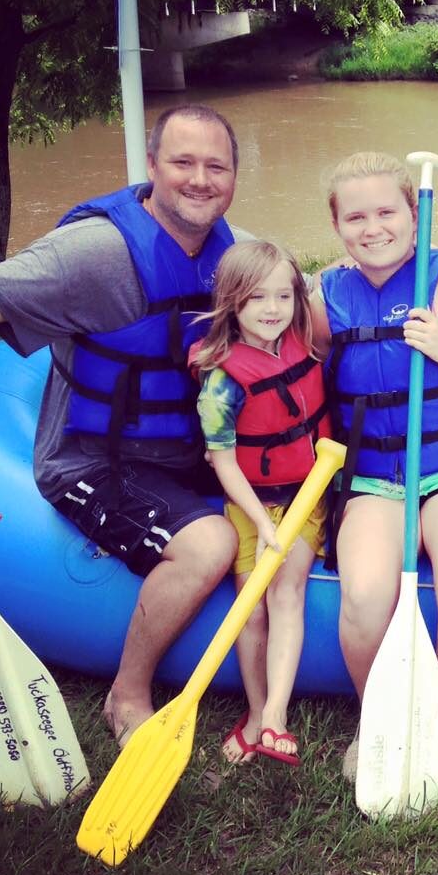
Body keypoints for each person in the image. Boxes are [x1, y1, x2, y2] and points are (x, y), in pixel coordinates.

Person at [0, 104, 249, 747]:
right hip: (93, 459)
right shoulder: (93, 252)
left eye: (216, 166)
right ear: (152, 166)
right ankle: (127, 691)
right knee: (212, 543)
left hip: (184, 451)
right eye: (183, 162)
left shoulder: (227, 253)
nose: (200, 179)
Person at [310, 152, 438, 792]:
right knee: (366, 596)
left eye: (386, 211)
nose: (373, 228)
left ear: (412, 212)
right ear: (337, 225)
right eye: (356, 217)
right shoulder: (324, 296)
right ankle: (374, 718)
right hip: (374, 478)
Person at [190, 240, 330, 765]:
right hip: (251, 502)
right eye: (256, 299)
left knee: (286, 591)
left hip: (306, 496)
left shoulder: (300, 339)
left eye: (282, 297)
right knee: (251, 609)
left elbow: (319, 283)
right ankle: (254, 712)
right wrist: (259, 523)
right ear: (232, 303)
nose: (272, 310)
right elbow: (225, 463)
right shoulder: (222, 381)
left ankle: (276, 716)